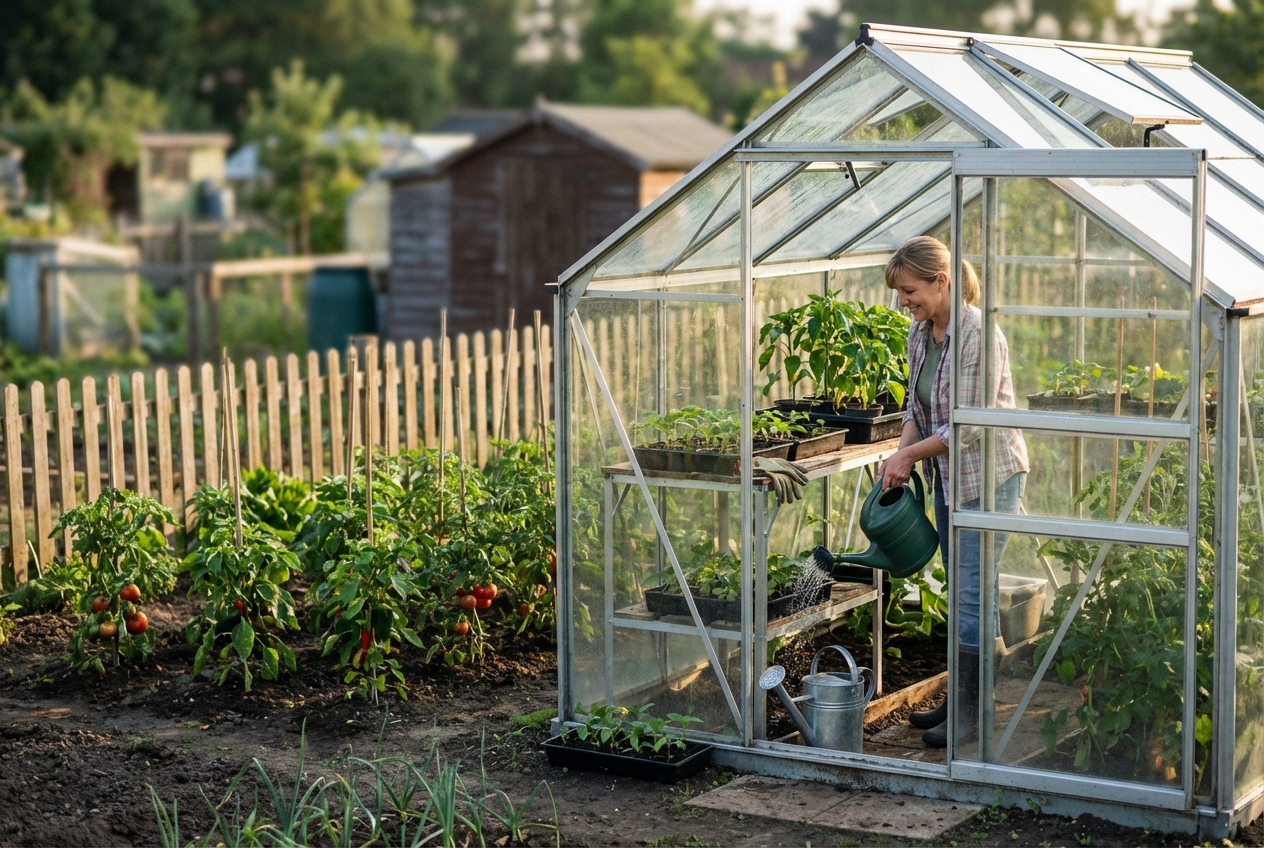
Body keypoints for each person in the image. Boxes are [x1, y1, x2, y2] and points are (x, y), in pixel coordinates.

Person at [876, 236, 1029, 749]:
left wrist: (908, 457)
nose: (904, 301)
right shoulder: (922, 333)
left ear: (941, 282)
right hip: (949, 478)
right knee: (964, 589)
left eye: (910, 290)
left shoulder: (978, 335)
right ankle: (964, 699)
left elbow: (968, 427)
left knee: (972, 593)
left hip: (989, 479)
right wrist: (898, 455)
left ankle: (972, 712)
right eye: (900, 292)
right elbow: (918, 413)